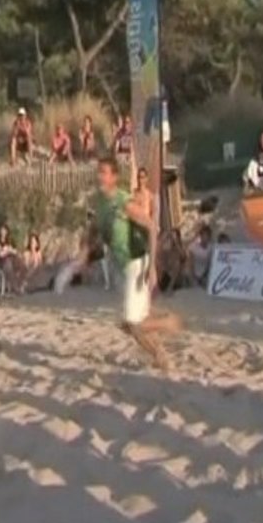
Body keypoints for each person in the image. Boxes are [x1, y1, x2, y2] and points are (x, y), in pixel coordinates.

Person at [91, 156, 181, 371]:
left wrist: (152, 269)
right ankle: (160, 351)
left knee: (133, 324)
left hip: (136, 263)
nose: (100, 176)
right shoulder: (102, 203)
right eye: (99, 171)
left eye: (104, 172)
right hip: (123, 266)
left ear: (114, 177)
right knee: (129, 324)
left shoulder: (125, 202)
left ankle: (167, 330)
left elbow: (151, 227)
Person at [0, 223, 23, 295]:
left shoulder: (10, 240)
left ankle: (18, 286)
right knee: (8, 263)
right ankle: (15, 288)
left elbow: (15, 251)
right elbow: (0, 254)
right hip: (1, 262)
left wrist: (9, 250)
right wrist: (7, 250)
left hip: (11, 260)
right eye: (2, 230)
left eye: (4, 230)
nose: (3, 232)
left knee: (17, 262)